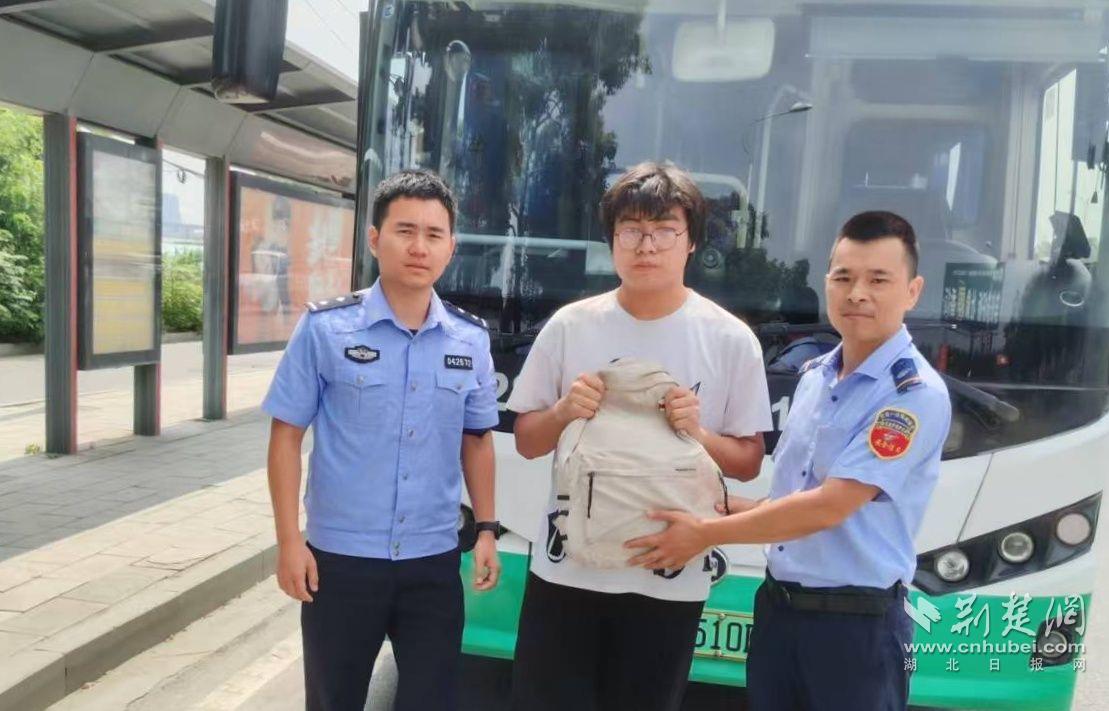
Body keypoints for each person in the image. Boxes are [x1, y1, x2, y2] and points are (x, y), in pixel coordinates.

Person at [627, 210, 953, 711]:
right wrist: (720, 505)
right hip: (779, 612)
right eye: (843, 278)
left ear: (912, 291)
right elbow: (795, 498)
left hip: (855, 629)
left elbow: (830, 506)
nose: (856, 294)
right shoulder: (816, 376)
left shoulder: (911, 394)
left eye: (878, 280)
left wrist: (705, 533)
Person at [506, 161, 773, 711]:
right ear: (612, 241)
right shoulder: (570, 326)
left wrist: (696, 431)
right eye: (631, 230)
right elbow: (527, 441)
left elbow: (748, 463)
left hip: (669, 575)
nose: (646, 245)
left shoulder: (729, 339)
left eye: (664, 230)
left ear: (691, 241)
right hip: (566, 569)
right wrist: (564, 412)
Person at [262, 169, 501, 711]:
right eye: (405, 231)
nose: (420, 247)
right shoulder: (326, 329)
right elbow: (286, 437)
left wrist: (487, 528)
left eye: (434, 235)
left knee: (431, 699)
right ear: (374, 239)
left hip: (432, 560)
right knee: (334, 700)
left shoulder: (470, 340)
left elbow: (478, 439)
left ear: (451, 247)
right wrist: (289, 541)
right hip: (341, 561)